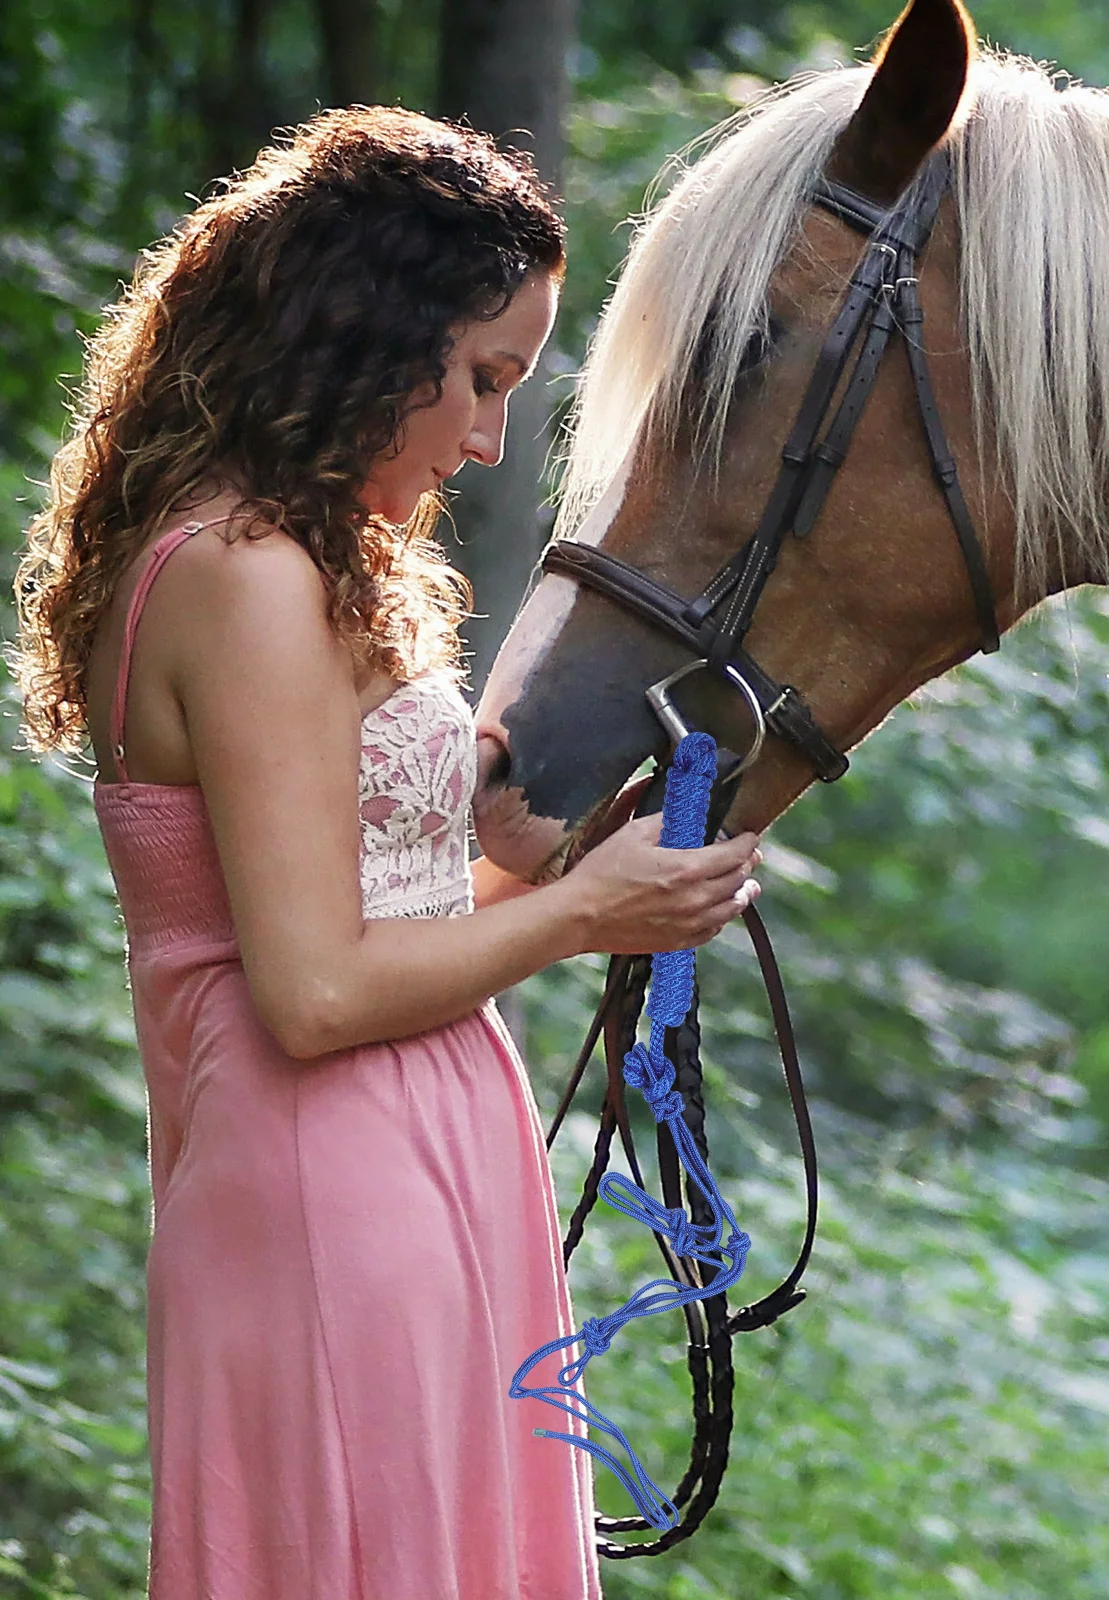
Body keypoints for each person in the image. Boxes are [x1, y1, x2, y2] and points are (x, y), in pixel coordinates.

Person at [9, 105, 761, 1600]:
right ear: (367, 331)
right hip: (326, 1180)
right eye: (483, 379)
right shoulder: (239, 577)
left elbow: (390, 924)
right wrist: (582, 921)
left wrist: (583, 873)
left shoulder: (294, 564)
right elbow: (310, 996)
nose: (488, 441)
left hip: (417, 1153)